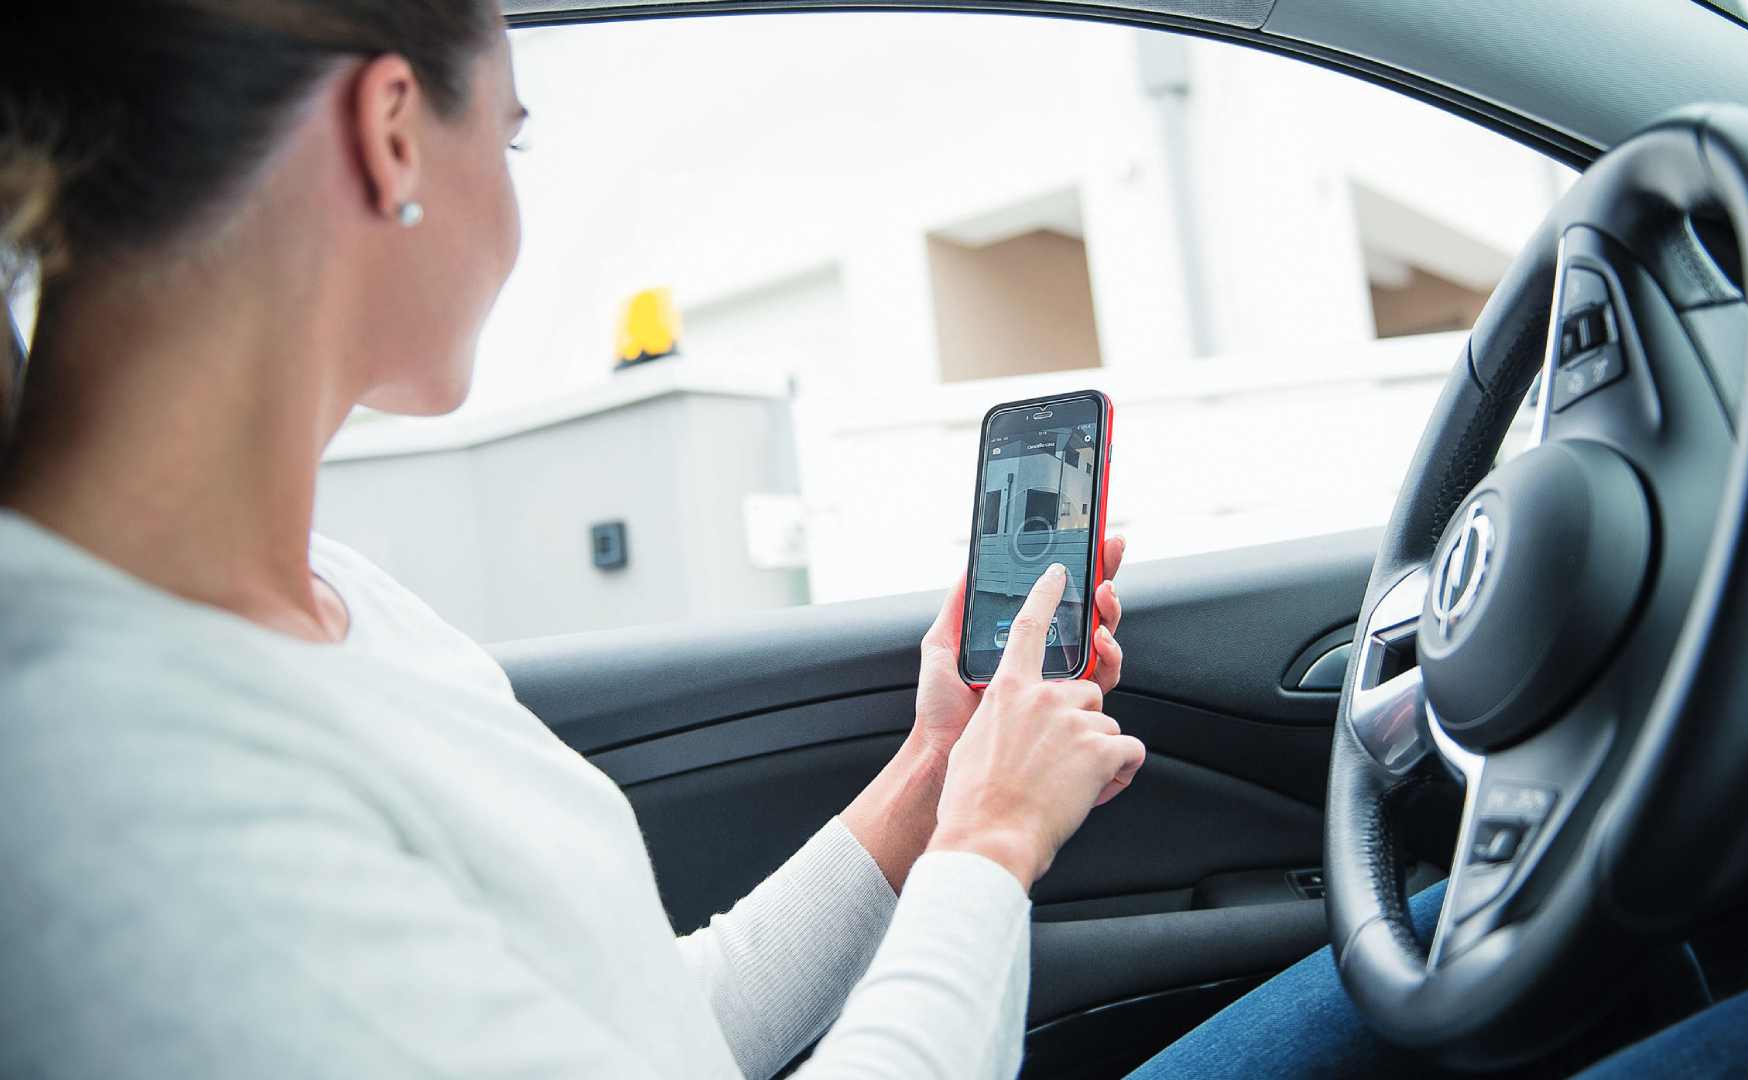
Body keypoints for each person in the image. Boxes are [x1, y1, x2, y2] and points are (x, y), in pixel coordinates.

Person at [0, 4, 1144, 1077]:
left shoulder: (336, 600)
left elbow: (649, 1031)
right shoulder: (120, 795)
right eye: (512, 141)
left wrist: (938, 773)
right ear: (390, 134)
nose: (511, 212)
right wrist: (991, 842)